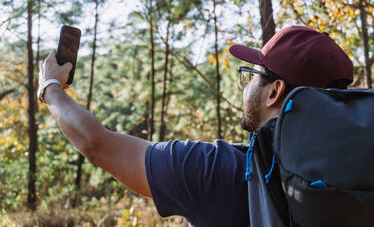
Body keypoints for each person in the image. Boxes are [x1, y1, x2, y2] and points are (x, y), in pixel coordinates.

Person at [39, 26, 353, 226]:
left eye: (251, 76)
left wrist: (51, 86)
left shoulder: (214, 170)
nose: (245, 87)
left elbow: (97, 144)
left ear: (274, 92)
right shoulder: (360, 174)